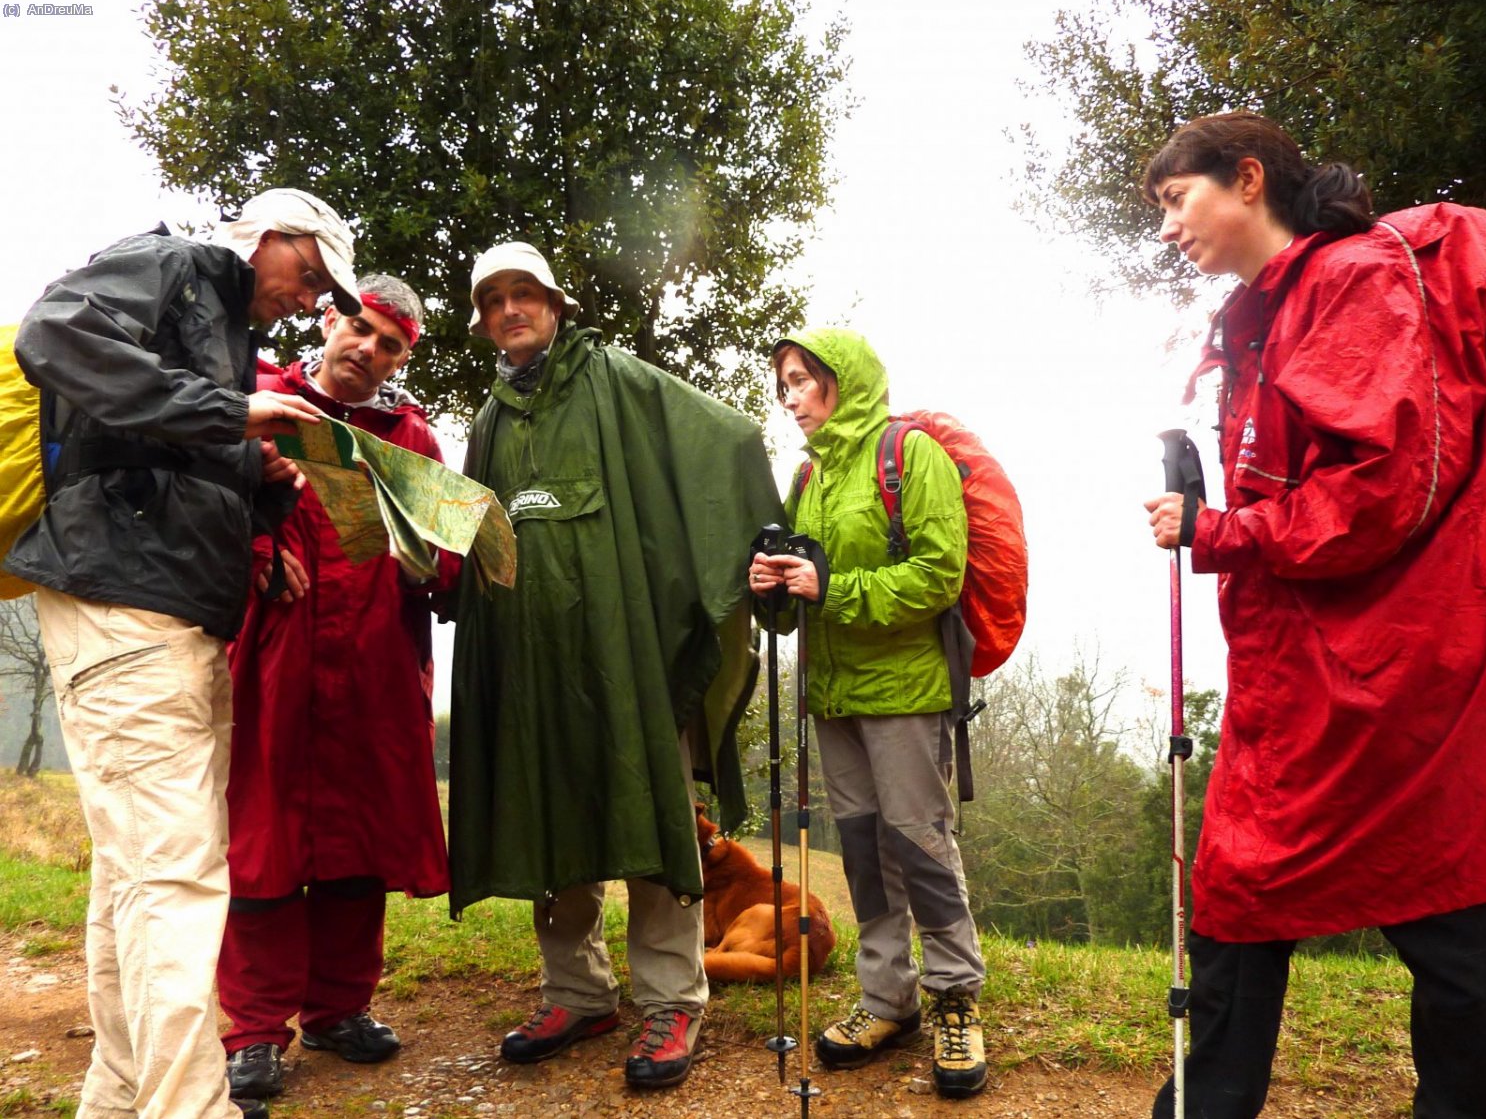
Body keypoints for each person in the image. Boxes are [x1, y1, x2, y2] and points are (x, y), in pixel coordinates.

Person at [1142, 111, 1486, 1118]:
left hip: (1391, 669)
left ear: (1247, 179)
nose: (1167, 227)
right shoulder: (1269, 308)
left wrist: (1220, 532)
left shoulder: (1348, 279)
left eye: (1177, 198)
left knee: (1446, 912)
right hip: (1310, 666)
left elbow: (1385, 489)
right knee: (1248, 892)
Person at [4, 188, 361, 1119]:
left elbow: (168, 444)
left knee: (137, 872)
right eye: (308, 274)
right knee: (175, 873)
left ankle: (121, 1097)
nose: (307, 298)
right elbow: (54, 334)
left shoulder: (227, 328)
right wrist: (229, 413)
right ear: (268, 237)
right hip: (121, 601)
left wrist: (260, 476)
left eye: (321, 290)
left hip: (175, 611)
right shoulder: (174, 265)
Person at [446, 242, 781, 1089]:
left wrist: (735, 553)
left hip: (626, 654)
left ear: (555, 304)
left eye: (525, 293)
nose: (511, 309)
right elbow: (476, 537)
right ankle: (577, 992)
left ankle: (672, 999)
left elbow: (729, 437)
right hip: (533, 662)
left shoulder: (614, 378)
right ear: (483, 320)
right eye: (494, 300)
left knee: (648, 810)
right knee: (550, 812)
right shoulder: (488, 422)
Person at [216, 274, 459, 1102]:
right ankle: (254, 1030)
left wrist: (433, 561)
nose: (368, 349)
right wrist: (256, 553)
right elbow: (206, 501)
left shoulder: (409, 436)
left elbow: (447, 553)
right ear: (329, 319)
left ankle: (337, 1008)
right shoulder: (263, 401)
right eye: (359, 328)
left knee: (357, 844)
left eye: (389, 344)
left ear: (401, 359)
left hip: (373, 666)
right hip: (272, 657)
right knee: (263, 844)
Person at [749, 329, 989, 1100]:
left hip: (907, 692)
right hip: (834, 694)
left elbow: (940, 574)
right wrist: (771, 587)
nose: (789, 397)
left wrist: (835, 589)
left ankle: (955, 997)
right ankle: (888, 998)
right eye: (783, 385)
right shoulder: (807, 477)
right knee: (862, 851)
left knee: (921, 844)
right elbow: (801, 592)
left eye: (800, 380)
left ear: (840, 379)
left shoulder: (909, 454)